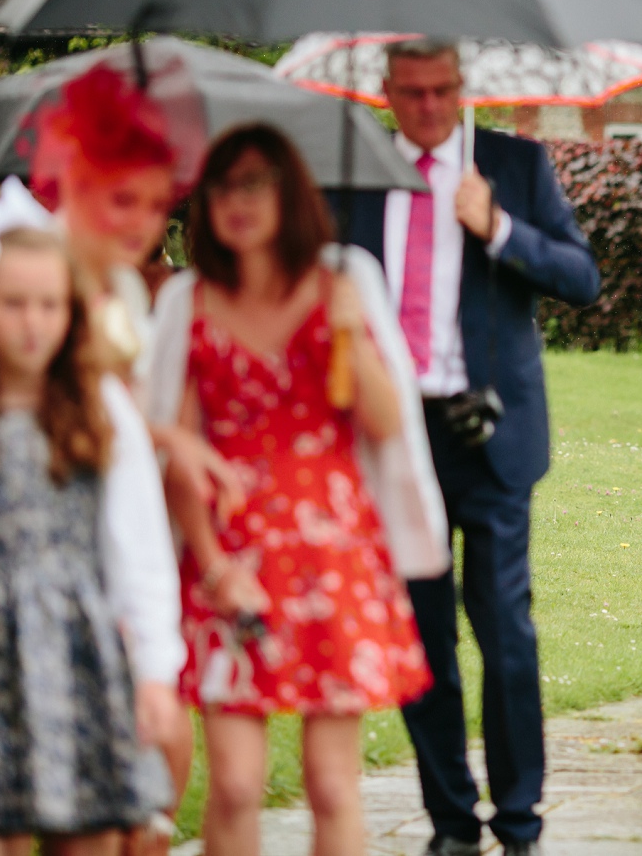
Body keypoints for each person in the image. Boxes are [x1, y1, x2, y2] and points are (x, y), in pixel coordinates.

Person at [147, 126, 444, 856]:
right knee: (239, 782)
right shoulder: (190, 300)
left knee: (332, 784)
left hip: (333, 559)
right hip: (232, 556)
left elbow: (384, 420)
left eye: (255, 183)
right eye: (221, 186)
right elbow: (178, 452)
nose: (236, 201)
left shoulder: (342, 284)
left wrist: (351, 331)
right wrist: (213, 564)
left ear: (290, 193)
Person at [340, 39, 600, 856]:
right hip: (394, 436)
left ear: (462, 88)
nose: (426, 108)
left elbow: (579, 278)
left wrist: (495, 225)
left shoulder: (512, 165)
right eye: (411, 92)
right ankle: (452, 821)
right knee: (422, 640)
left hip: (491, 432)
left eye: (441, 90)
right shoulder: (351, 170)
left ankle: (519, 823)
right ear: (387, 90)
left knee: (506, 632)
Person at [32, 61, 236, 850]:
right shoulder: (10, 269)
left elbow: (122, 479)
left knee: (131, 811)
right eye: (124, 199)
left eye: (158, 205)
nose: (142, 225)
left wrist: (166, 437)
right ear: (73, 176)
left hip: (99, 577)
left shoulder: (120, 292)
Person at [0, 184, 183, 856]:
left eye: (49, 305)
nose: (32, 323)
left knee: (89, 831)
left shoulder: (95, 406)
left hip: (77, 646)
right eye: (13, 304)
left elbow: (138, 545)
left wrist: (155, 669)